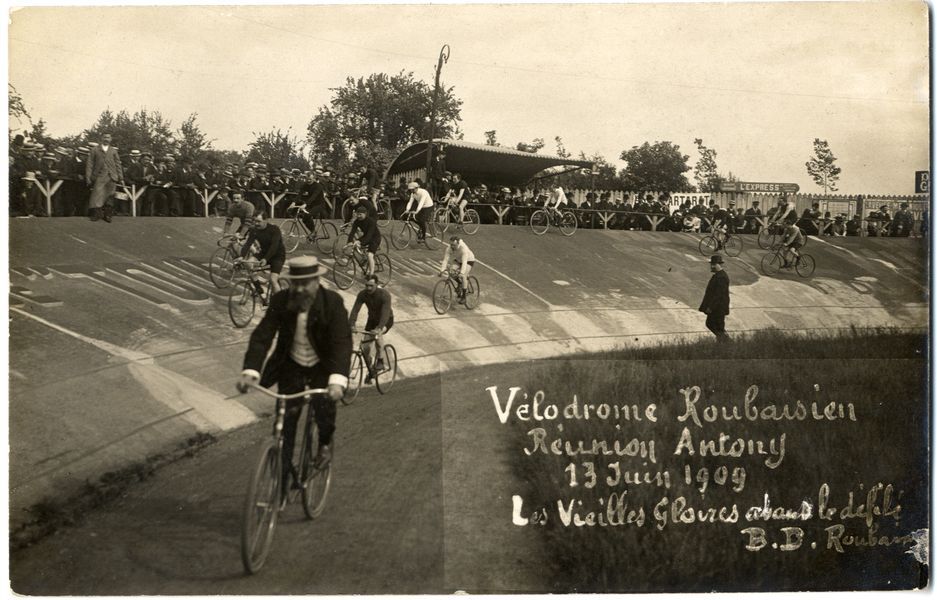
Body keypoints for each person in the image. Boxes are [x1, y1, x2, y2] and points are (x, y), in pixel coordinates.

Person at [237, 255, 351, 494]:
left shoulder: (332, 303)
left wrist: (337, 381)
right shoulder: (281, 301)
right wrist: (251, 370)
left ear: (316, 282)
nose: (299, 289)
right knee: (285, 424)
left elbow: (341, 343)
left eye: (305, 283)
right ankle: (283, 480)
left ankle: (324, 444)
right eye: (295, 283)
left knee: (325, 412)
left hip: (323, 367)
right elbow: (262, 335)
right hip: (291, 366)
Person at [348, 274, 394, 384]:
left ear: (376, 285)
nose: (368, 288)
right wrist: (352, 324)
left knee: (377, 336)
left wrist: (379, 328)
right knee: (365, 347)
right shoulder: (362, 294)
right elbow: (355, 310)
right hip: (372, 320)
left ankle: (380, 361)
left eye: (371, 286)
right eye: (366, 285)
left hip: (386, 320)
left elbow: (385, 313)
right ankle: (371, 370)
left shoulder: (384, 295)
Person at [239, 212, 286, 296]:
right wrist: (241, 256)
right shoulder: (254, 230)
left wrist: (265, 259)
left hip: (277, 255)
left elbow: (274, 246)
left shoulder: (274, 229)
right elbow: (248, 244)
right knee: (248, 264)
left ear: (265, 220)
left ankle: (280, 303)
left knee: (273, 279)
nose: (256, 223)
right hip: (264, 253)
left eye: (259, 221)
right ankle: (258, 288)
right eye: (255, 221)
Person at [85, 133, 124, 222]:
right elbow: (89, 164)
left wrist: (121, 178)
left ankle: (108, 215)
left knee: (110, 196)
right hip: (99, 176)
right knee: (97, 195)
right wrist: (88, 177)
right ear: (101, 138)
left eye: (108, 137)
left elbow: (118, 164)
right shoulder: (95, 150)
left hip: (112, 176)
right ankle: (96, 215)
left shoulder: (113, 151)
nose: (106, 139)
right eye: (105, 137)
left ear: (111, 139)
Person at [698, 254, 730, 342]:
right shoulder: (718, 275)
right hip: (717, 307)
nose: (712, 266)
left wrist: (710, 307)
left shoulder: (721, 277)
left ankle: (725, 341)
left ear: (719, 264)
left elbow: (718, 295)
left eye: (714, 264)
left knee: (715, 325)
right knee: (713, 325)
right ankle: (723, 341)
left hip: (718, 308)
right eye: (711, 264)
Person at [439, 235, 476, 303]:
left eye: (454, 245)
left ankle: (464, 297)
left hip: (468, 260)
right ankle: (460, 283)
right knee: (451, 272)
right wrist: (442, 270)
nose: (452, 247)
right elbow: (446, 259)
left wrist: (461, 273)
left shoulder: (463, 248)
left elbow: (464, 262)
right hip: (458, 260)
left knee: (464, 276)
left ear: (458, 244)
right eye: (451, 245)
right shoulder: (449, 248)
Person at [346, 204, 380, 276]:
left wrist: (360, 241)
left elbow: (369, 235)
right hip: (366, 236)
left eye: (360, 214)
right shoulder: (357, 221)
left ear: (365, 214)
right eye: (357, 214)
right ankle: (364, 258)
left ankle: (371, 275)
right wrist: (349, 242)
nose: (358, 216)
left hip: (375, 238)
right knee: (355, 246)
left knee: (370, 255)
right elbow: (352, 232)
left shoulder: (371, 221)